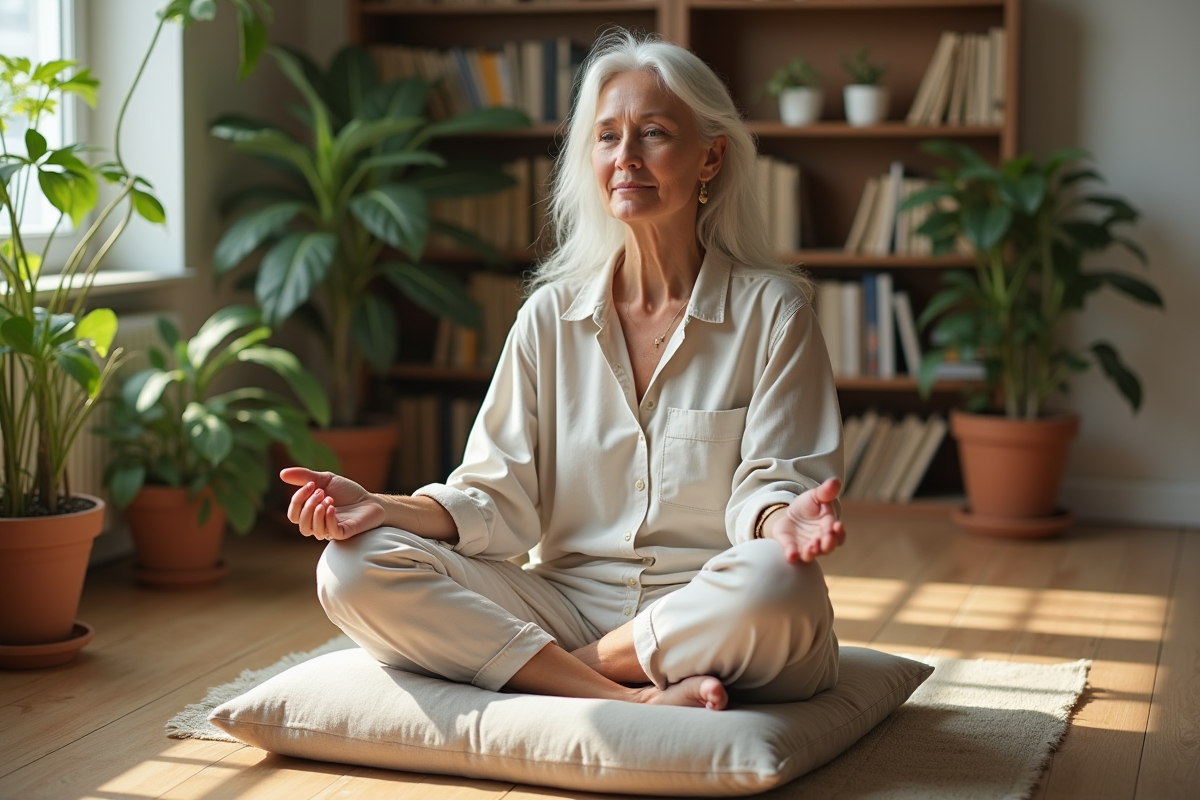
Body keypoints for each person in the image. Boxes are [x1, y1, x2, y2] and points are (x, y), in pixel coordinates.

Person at [282, 30, 846, 711]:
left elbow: (775, 480)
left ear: (711, 157)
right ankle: (624, 697)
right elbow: (497, 498)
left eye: (654, 133)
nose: (626, 158)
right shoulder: (549, 316)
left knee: (777, 584)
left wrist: (781, 520)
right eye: (607, 137)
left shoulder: (772, 312)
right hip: (563, 601)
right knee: (351, 567)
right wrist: (382, 508)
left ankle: (559, 675)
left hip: (708, 605)